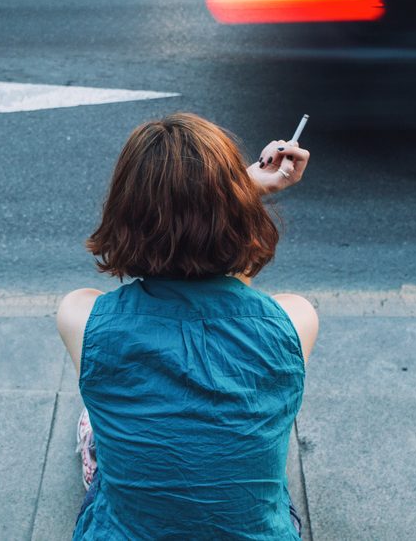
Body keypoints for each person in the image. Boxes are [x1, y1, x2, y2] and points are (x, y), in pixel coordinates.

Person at [56, 113, 319, 540]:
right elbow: (236, 295)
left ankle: (97, 452)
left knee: (104, 416)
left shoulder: (81, 317)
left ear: (124, 212)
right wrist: (241, 197)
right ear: (237, 215)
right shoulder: (295, 318)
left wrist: (228, 197)